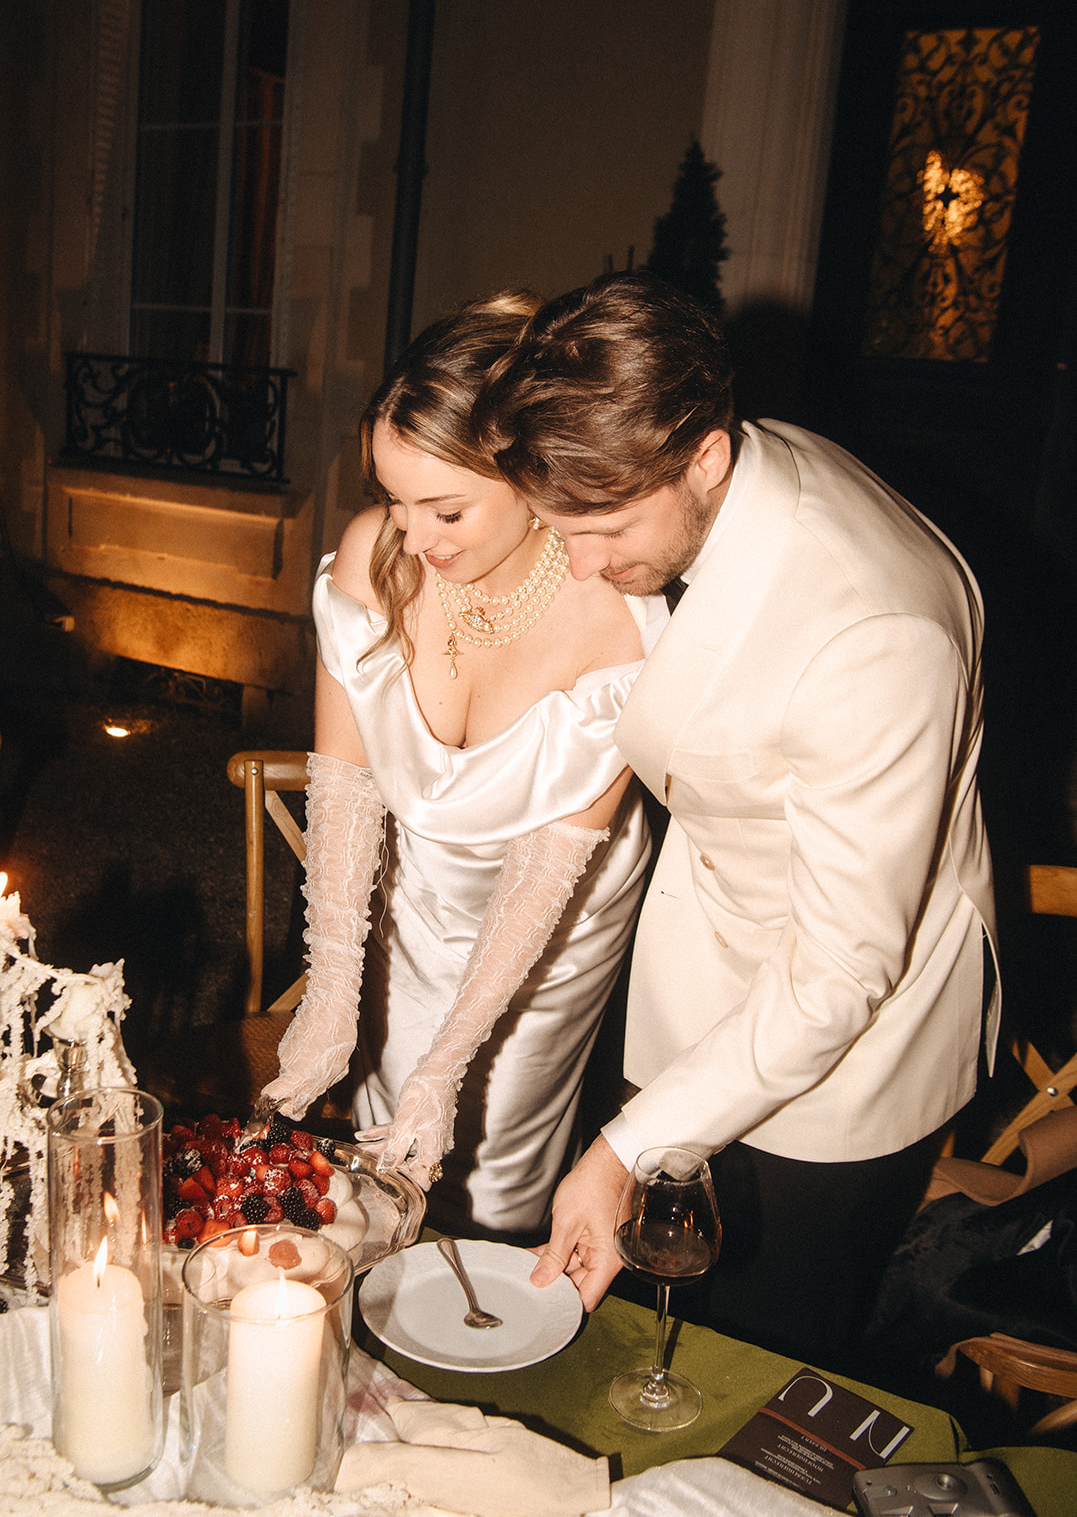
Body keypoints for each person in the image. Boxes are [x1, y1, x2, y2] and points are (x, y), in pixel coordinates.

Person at [478, 270, 999, 1367]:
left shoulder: (873, 634)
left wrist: (623, 1147)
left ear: (706, 458)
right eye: (560, 527)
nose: (581, 565)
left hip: (842, 1058)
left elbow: (842, 970)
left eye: (604, 526)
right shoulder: (719, 467)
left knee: (750, 1375)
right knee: (646, 1342)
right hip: (704, 971)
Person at [260, 292, 665, 1236]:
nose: (412, 538)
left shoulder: (620, 625)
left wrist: (447, 1067)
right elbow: (346, 784)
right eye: (394, 500)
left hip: (554, 918)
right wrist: (331, 992)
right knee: (376, 1148)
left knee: (485, 1163)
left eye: (445, 509)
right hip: (415, 885)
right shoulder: (373, 556)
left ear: (529, 476)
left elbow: (546, 864)